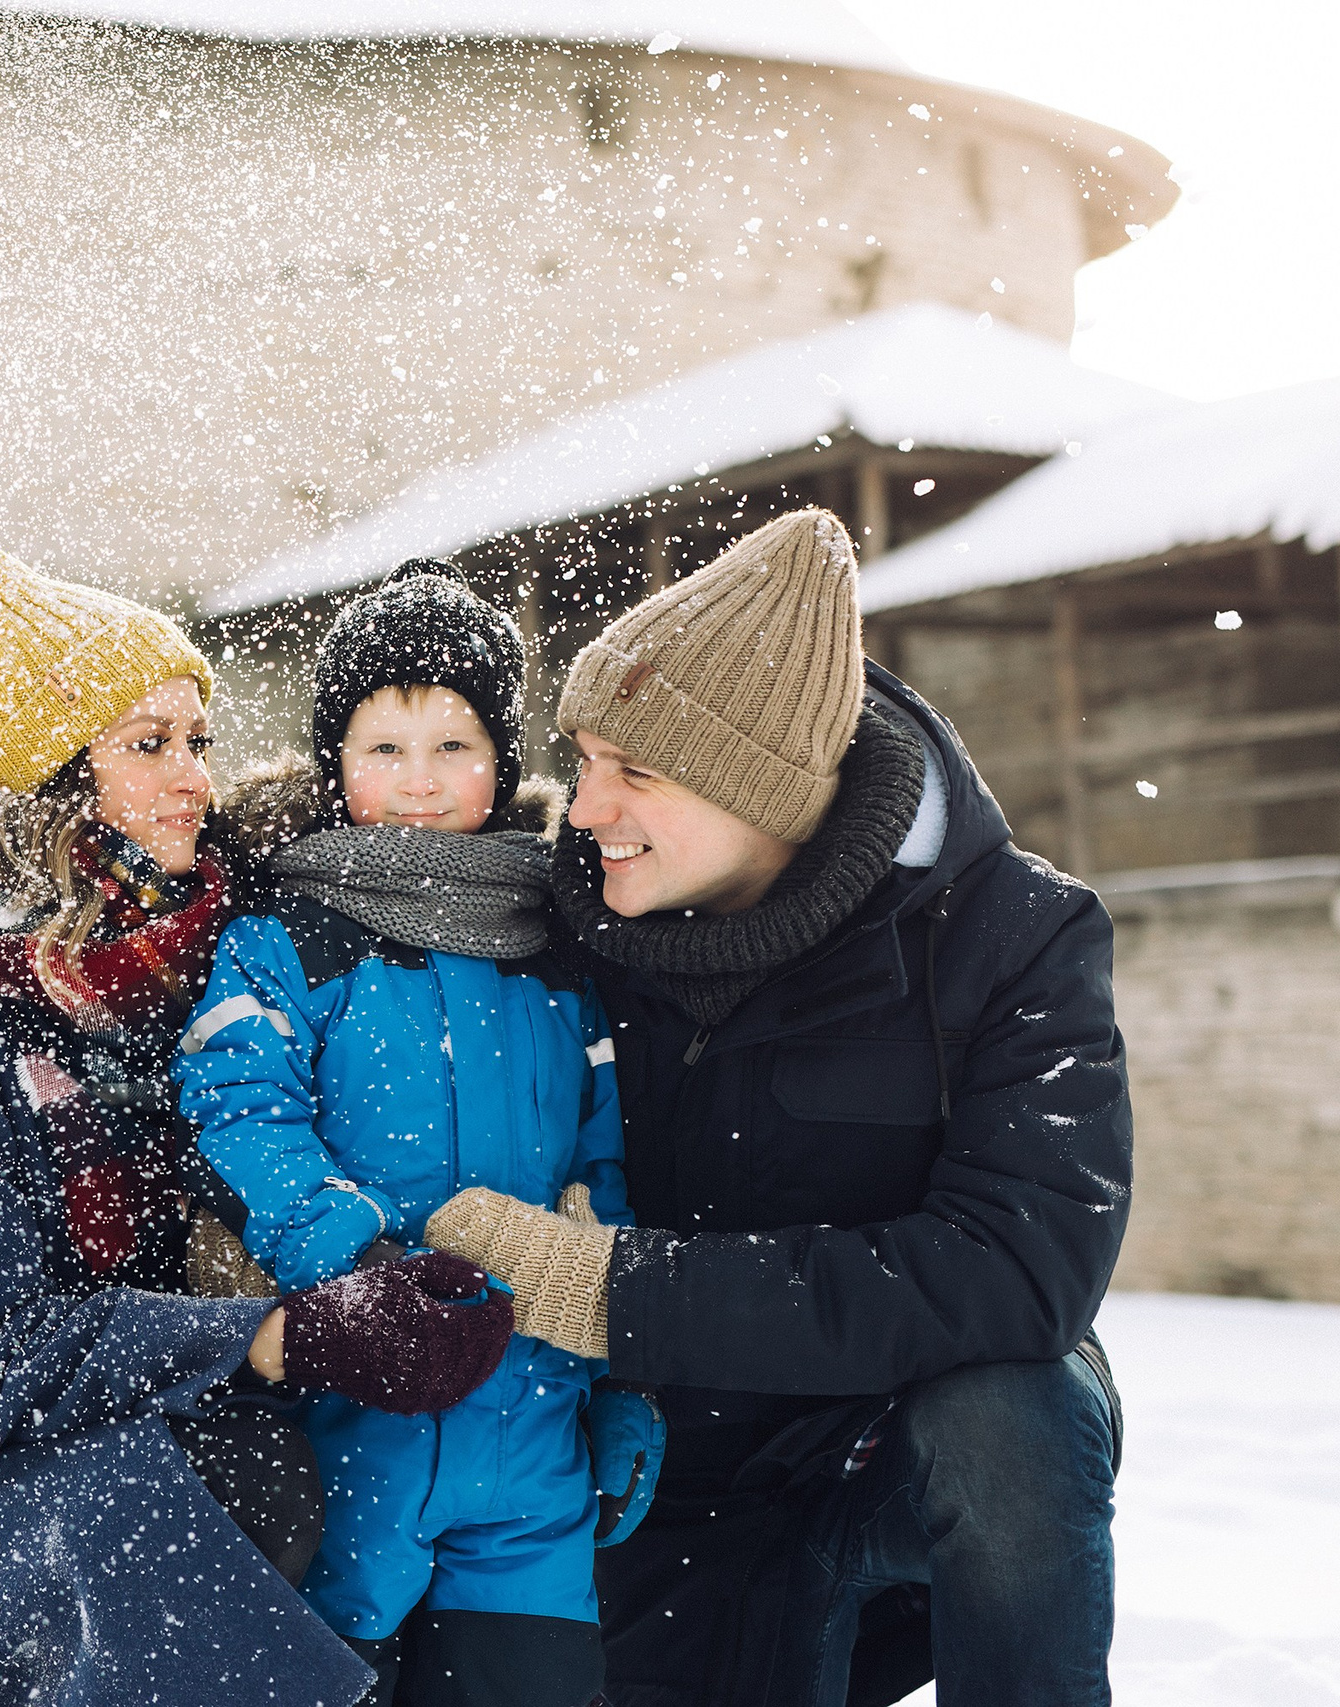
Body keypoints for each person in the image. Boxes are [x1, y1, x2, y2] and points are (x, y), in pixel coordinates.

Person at [0, 540, 516, 1707]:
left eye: (196, 740)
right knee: (223, 1478)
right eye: (146, 746)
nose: (193, 776)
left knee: (331, 1481)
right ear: (48, 784)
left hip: (76, 1470)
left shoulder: (156, 980)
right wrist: (276, 1337)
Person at [422, 509, 1131, 1707]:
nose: (582, 809)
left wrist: (612, 1289)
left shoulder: (1011, 937)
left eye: (633, 772)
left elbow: (1020, 1271)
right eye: (584, 758)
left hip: (877, 1455)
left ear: (767, 794)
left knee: (1018, 1408)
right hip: (643, 1488)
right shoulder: (552, 924)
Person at [175, 566, 664, 1707]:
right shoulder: (284, 934)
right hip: (349, 1425)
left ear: (502, 761)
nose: (418, 783)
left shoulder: (557, 944)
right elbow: (241, 1106)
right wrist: (344, 1258)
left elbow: (609, 1169)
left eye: (453, 746)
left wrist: (627, 1373)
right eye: (381, 748)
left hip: (534, 1445)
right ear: (333, 761)